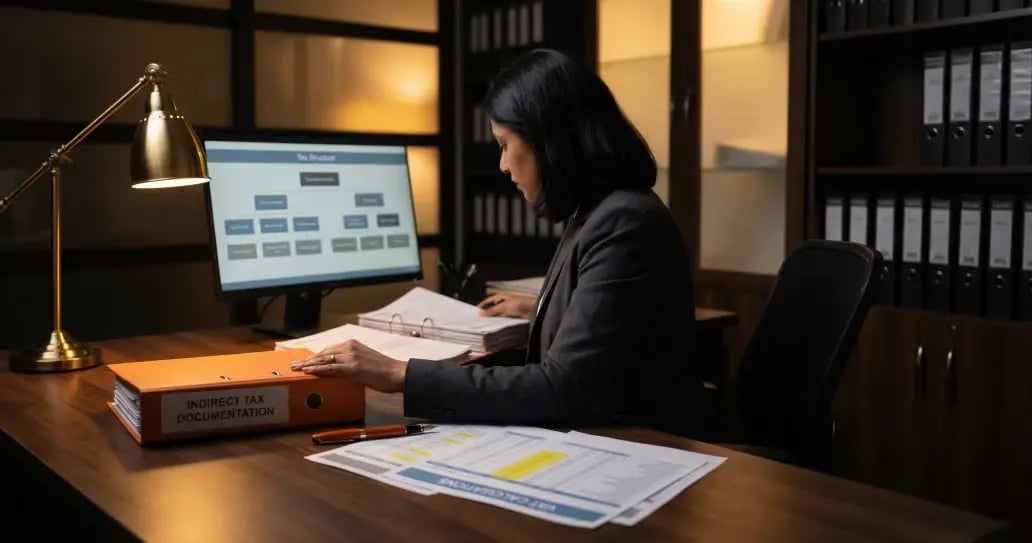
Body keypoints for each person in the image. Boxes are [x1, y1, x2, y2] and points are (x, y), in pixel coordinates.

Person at [291, 48, 705, 436]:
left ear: (550, 141)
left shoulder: (623, 221)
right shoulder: (598, 211)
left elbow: (565, 387)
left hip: (639, 446)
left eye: (506, 144)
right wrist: (545, 305)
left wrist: (400, 373)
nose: (503, 165)